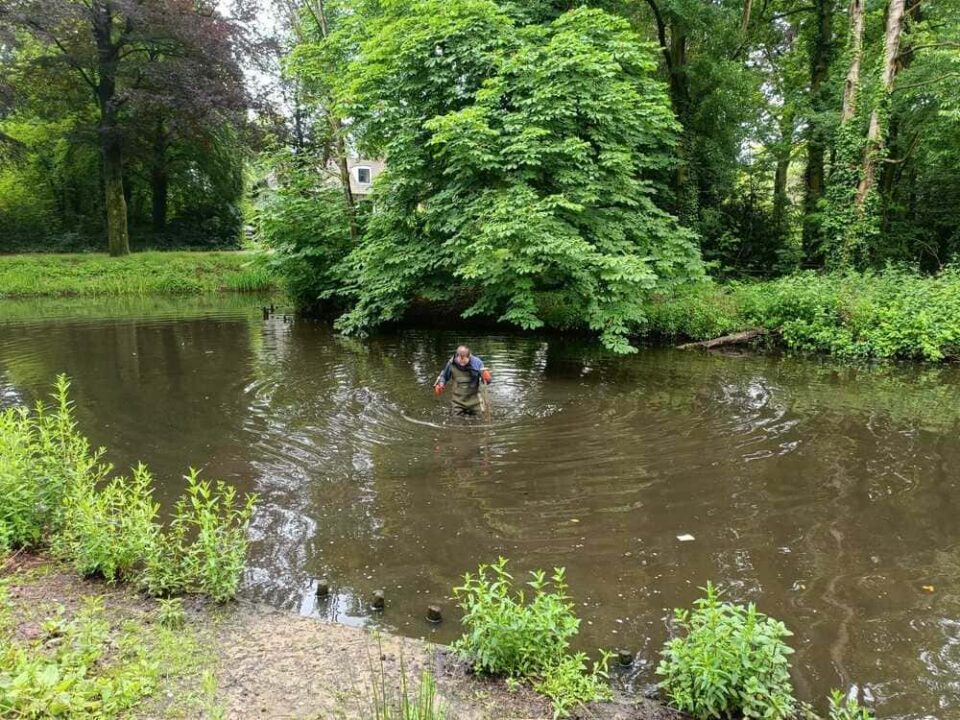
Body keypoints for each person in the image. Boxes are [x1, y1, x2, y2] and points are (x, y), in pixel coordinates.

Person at [434, 345, 491, 414]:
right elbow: (444, 376)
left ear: (469, 357)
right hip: (457, 401)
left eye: (464, 362)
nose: (462, 364)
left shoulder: (477, 363)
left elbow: (486, 382)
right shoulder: (451, 363)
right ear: (457, 356)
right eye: (460, 362)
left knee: (481, 417)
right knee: (455, 419)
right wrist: (441, 384)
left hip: (475, 400)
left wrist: (487, 378)